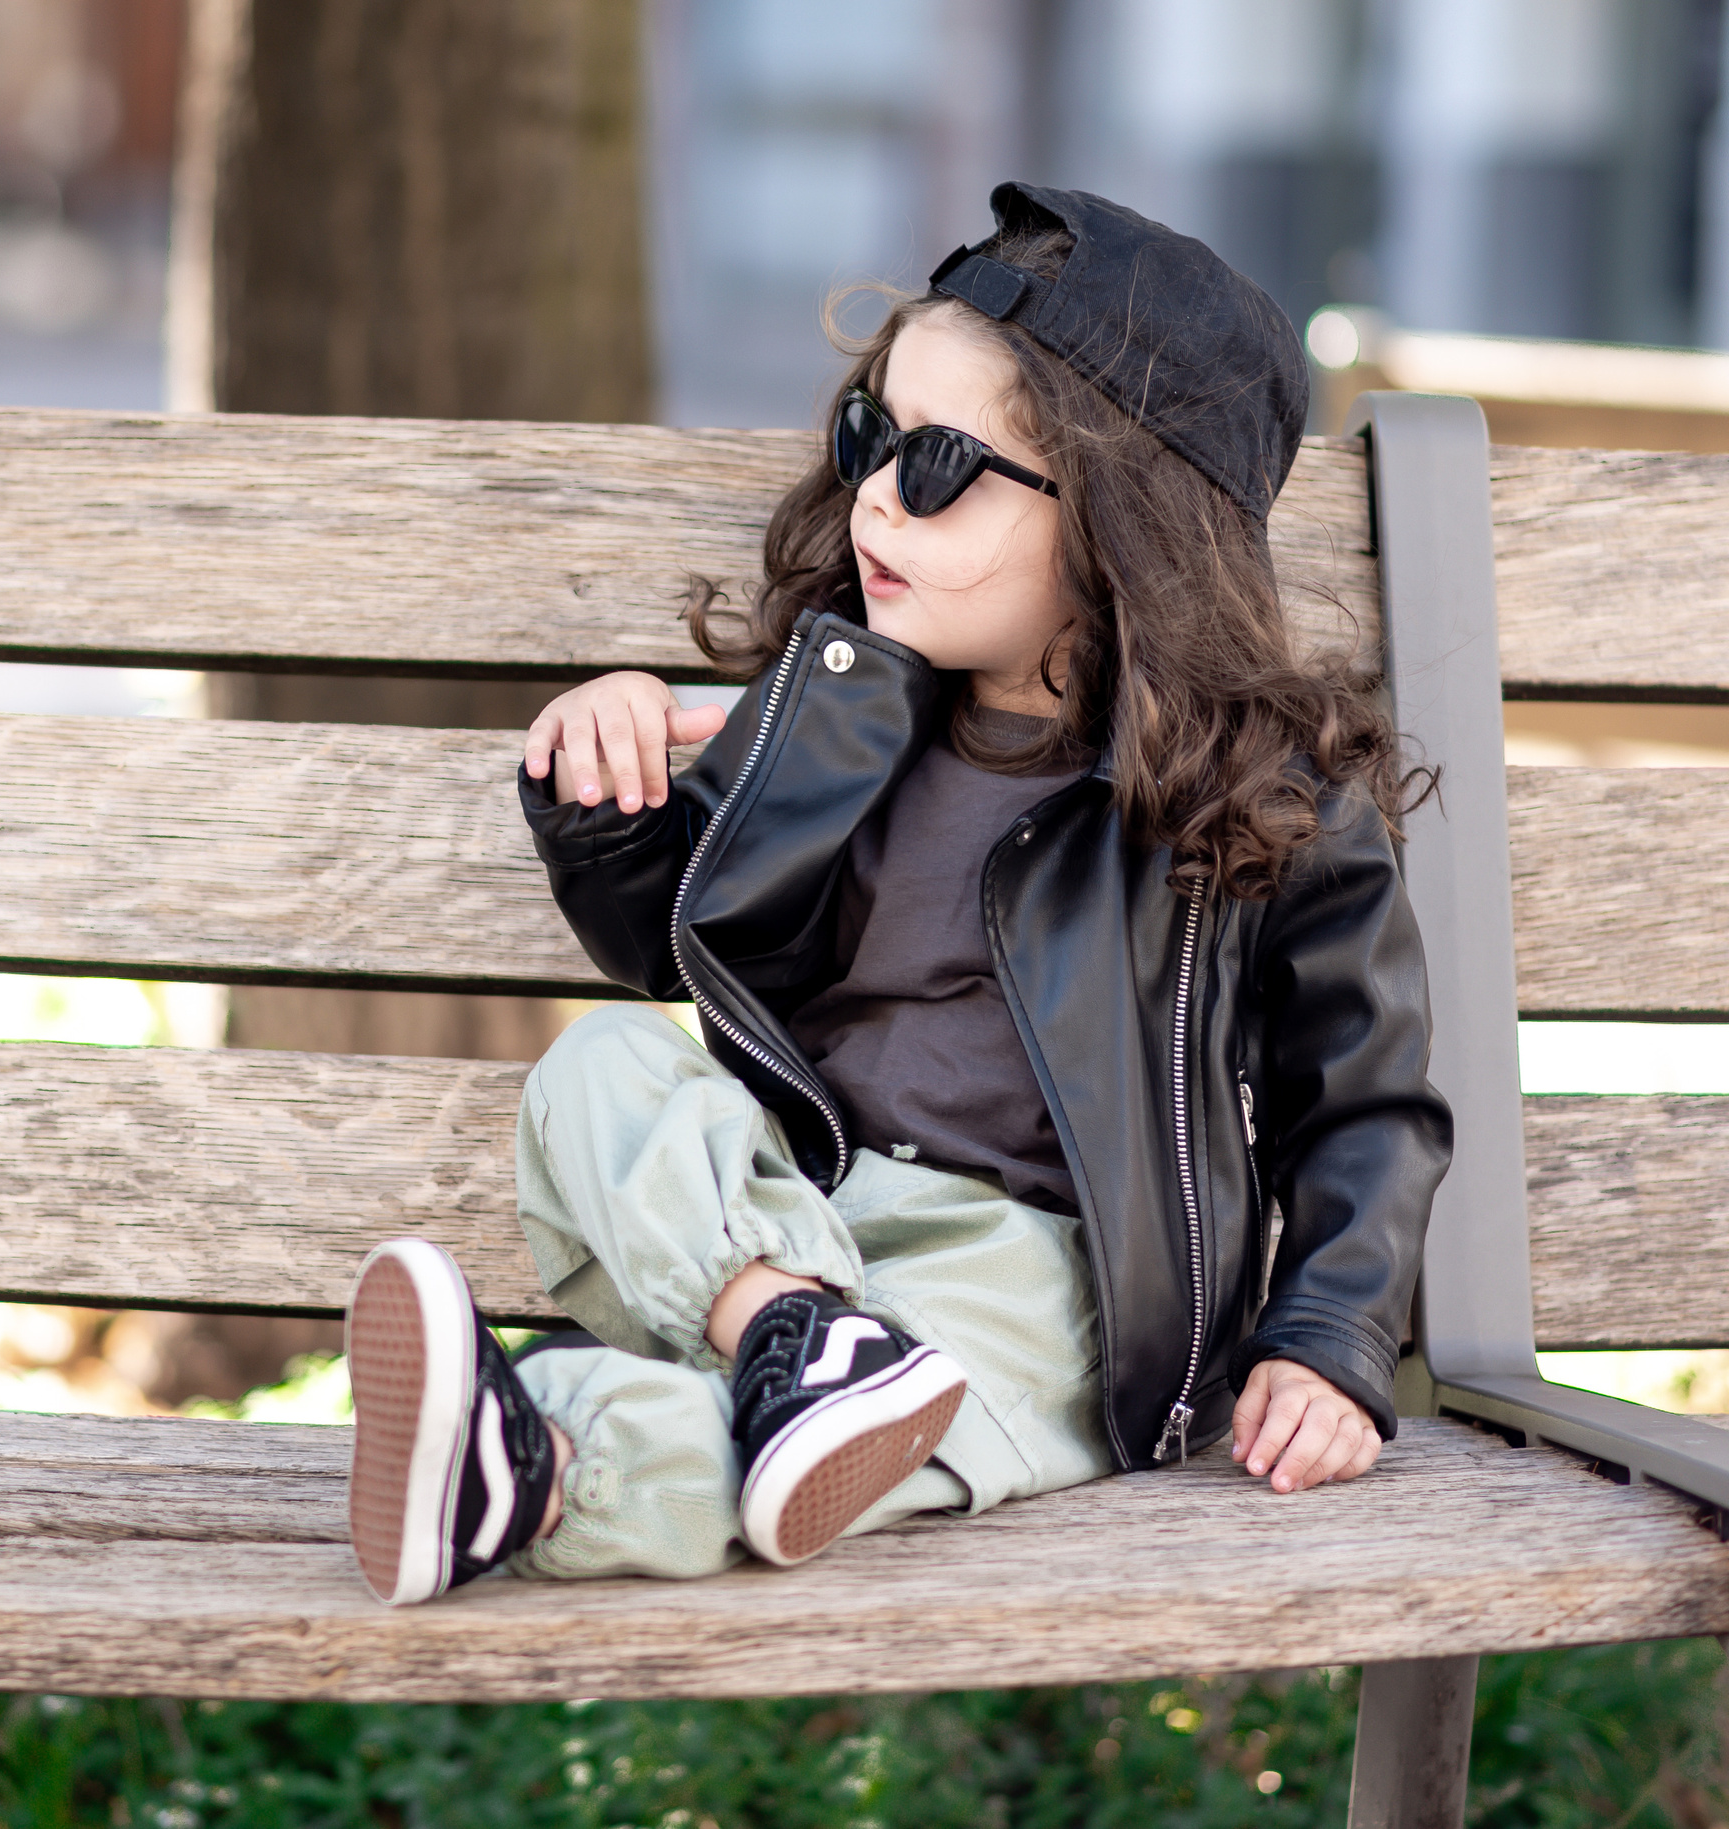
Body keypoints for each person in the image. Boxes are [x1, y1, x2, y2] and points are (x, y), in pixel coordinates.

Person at [343, 183, 1453, 1606]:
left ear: (1125, 527)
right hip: (792, 1221)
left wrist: (1329, 1336)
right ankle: (795, 1341)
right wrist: (606, 800)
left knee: (839, 1437)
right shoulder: (844, 710)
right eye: (872, 435)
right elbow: (668, 952)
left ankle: (540, 1461)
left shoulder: (1260, 799)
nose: (876, 492)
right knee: (595, 1071)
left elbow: (1365, 1103)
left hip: (1047, 1282)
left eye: (939, 465)